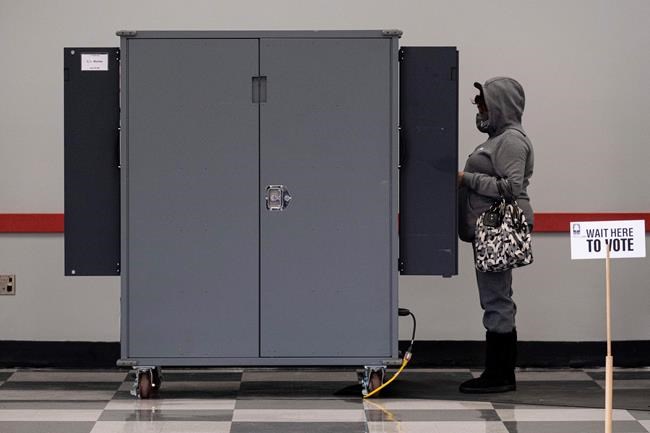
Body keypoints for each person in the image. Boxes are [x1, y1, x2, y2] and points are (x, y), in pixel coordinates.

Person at [457, 77, 534, 393]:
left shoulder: (511, 141)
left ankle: (500, 374)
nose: (478, 108)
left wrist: (467, 179)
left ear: (501, 105)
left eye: (483, 102)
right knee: (495, 296)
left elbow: (511, 188)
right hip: (488, 230)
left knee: (496, 298)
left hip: (498, 230)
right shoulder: (497, 139)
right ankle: (499, 372)